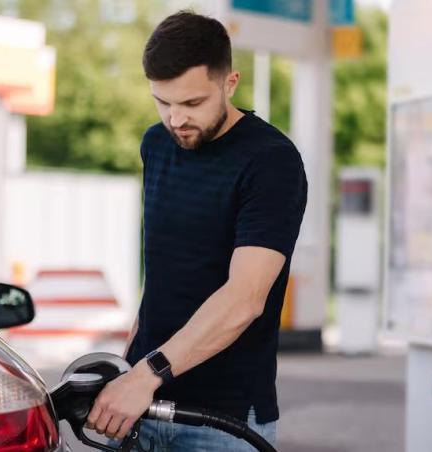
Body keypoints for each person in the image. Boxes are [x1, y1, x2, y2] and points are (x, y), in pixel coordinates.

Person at [86, 10, 308, 451]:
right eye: (162, 102)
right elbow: (163, 274)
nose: (175, 120)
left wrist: (146, 375)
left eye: (191, 104)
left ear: (230, 83)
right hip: (141, 403)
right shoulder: (156, 144)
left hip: (221, 419)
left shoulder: (271, 161)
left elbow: (244, 298)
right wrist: (126, 369)